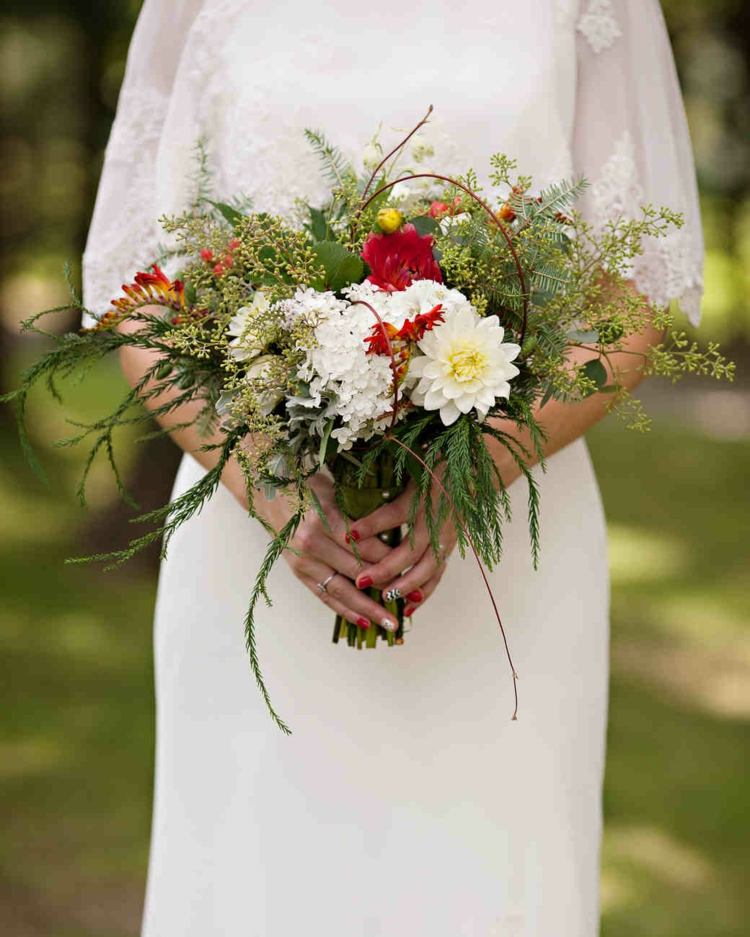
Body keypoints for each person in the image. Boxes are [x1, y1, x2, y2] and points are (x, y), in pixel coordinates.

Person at [82, 1, 703, 934]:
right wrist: (266, 480)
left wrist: (475, 469)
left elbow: (632, 297)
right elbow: (140, 290)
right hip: (254, 542)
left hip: (502, 549)